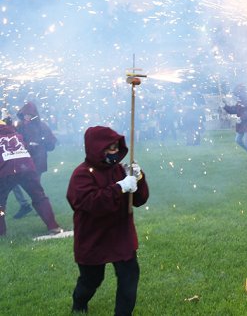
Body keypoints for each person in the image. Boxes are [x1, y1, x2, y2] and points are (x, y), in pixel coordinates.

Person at [67, 126, 149, 315]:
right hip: (93, 237)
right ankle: (79, 303)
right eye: (109, 148)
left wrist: (139, 178)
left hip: (121, 235)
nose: (114, 152)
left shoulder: (120, 170)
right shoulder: (81, 174)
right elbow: (91, 203)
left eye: (115, 147)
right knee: (92, 280)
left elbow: (139, 200)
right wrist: (119, 187)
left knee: (129, 277)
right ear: (96, 148)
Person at [0, 119, 63, 236]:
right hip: (26, 169)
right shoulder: (17, 135)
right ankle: (53, 226)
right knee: (39, 197)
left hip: (6, 172)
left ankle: (1, 233)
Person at [222, 84, 247, 168]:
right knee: (238, 140)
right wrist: (225, 106)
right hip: (242, 123)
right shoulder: (240, 99)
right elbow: (235, 110)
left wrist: (242, 118)